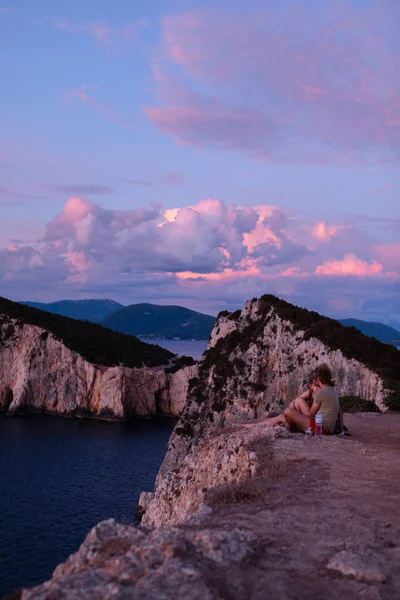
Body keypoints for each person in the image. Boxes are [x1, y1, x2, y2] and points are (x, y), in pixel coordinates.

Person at [240, 365, 341, 435]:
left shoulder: (321, 393)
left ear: (318, 380)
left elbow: (311, 414)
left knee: (288, 411)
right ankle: (255, 425)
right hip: (322, 428)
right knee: (283, 415)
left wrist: (295, 410)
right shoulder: (333, 392)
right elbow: (340, 412)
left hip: (320, 429)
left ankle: (286, 427)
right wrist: (341, 430)